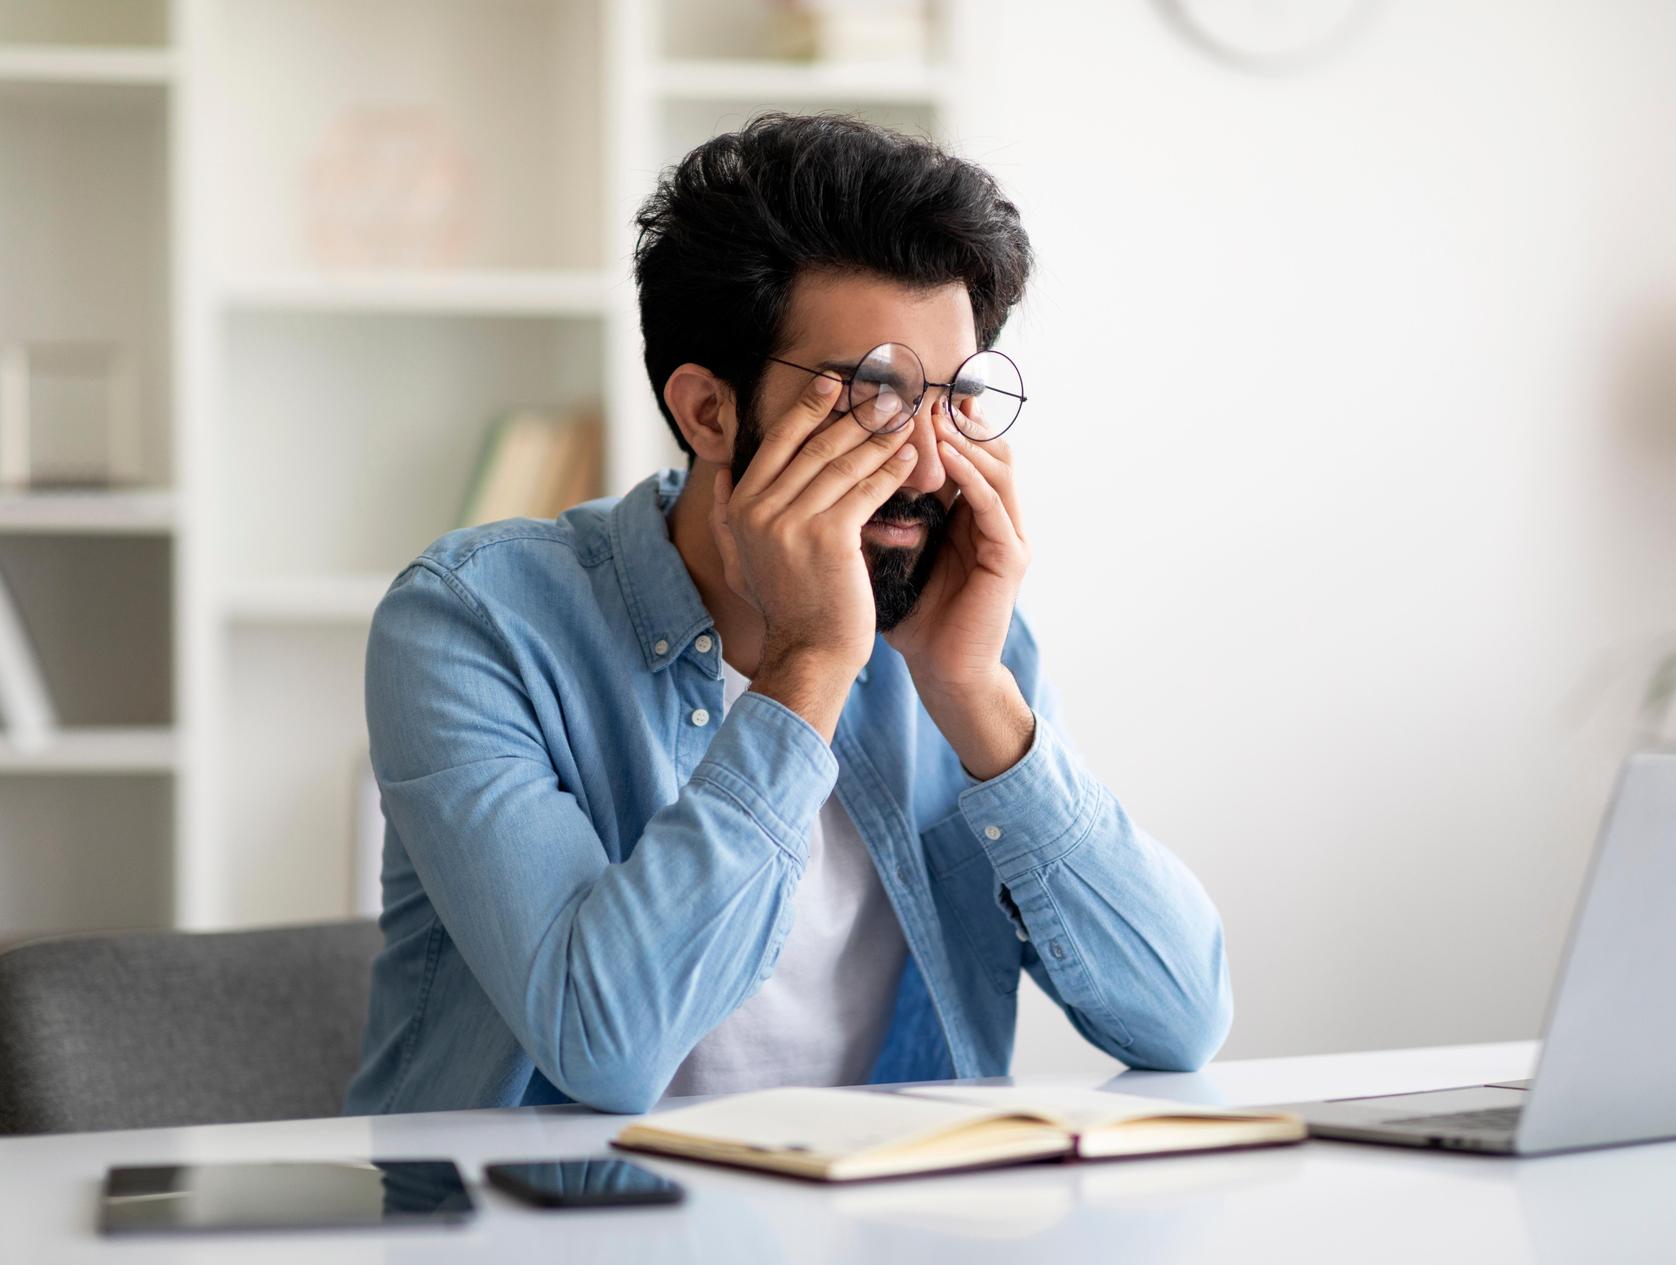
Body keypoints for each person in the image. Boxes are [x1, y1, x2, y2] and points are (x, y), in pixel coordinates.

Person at [345, 113, 1231, 1116]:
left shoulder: (960, 632)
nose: (934, 464)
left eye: (952, 397)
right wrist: (811, 664)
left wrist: (975, 692)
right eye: (873, 397)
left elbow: (1182, 1019)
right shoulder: (476, 625)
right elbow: (605, 1043)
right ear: (710, 412)